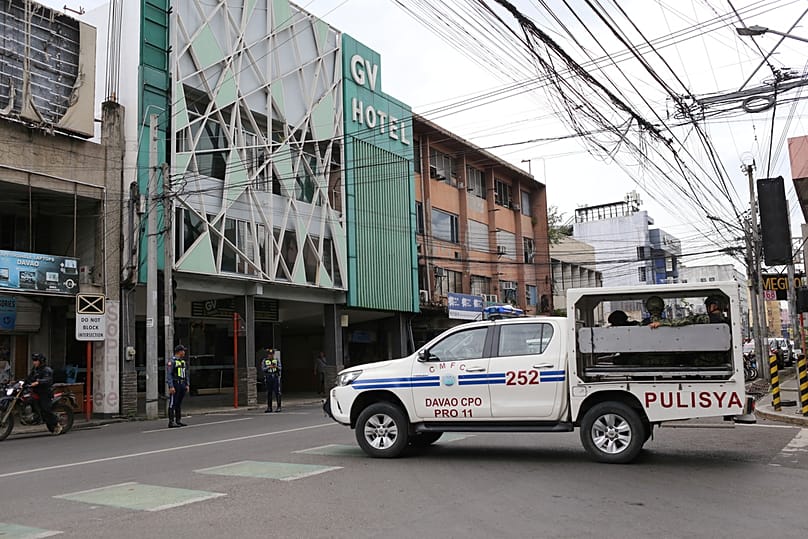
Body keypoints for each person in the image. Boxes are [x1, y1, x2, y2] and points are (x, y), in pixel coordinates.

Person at [25, 353, 61, 434]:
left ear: (41, 361)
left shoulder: (47, 370)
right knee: (28, 400)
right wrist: (20, 383)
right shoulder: (35, 369)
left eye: (36, 361)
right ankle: (34, 417)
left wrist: (38, 382)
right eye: (34, 361)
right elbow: (29, 378)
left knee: (45, 409)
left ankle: (56, 423)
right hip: (36, 391)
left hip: (45, 392)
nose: (34, 362)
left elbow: (48, 379)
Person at [167, 344, 190, 428]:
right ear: (179, 352)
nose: (184, 352)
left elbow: (186, 373)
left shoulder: (183, 361)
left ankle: (178, 420)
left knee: (178, 403)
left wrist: (187, 384)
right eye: (183, 351)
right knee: (173, 403)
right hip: (175, 383)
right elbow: (169, 375)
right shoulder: (172, 361)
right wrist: (171, 386)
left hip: (182, 384)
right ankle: (171, 421)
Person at [261, 347, 282, 412]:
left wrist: (276, 367)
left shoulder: (276, 360)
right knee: (269, 393)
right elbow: (263, 369)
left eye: (272, 354)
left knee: (277, 392)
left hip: (275, 377)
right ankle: (269, 407)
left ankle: (279, 407)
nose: (271, 355)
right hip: (268, 377)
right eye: (270, 354)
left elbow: (280, 368)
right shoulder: (265, 360)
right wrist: (268, 367)